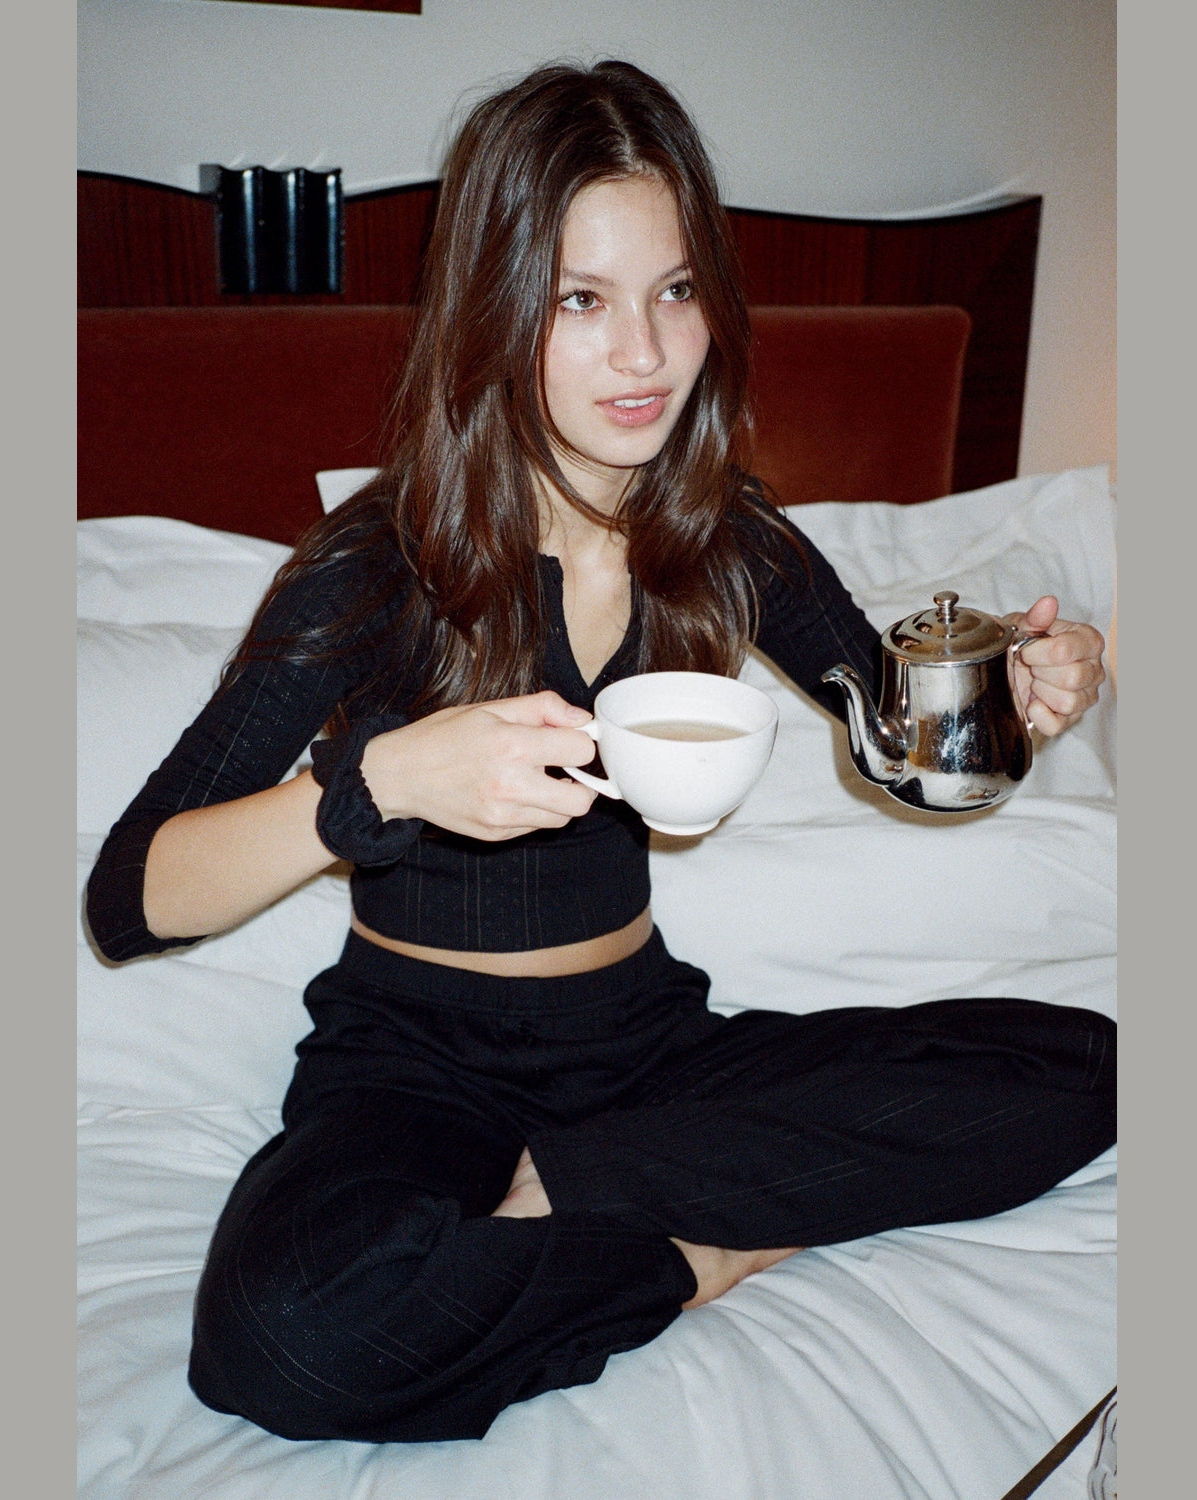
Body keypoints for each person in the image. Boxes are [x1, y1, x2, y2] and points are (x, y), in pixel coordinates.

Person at [85, 59, 1115, 1445]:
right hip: (415, 1062)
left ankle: (591, 1182)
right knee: (284, 1339)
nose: (644, 357)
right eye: (582, 301)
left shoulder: (722, 533)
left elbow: (905, 746)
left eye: (675, 292)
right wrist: (379, 784)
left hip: (643, 1048)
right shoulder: (371, 568)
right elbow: (129, 894)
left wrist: (1020, 701)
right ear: (497, 307)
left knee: (1097, 1066)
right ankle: (692, 1247)